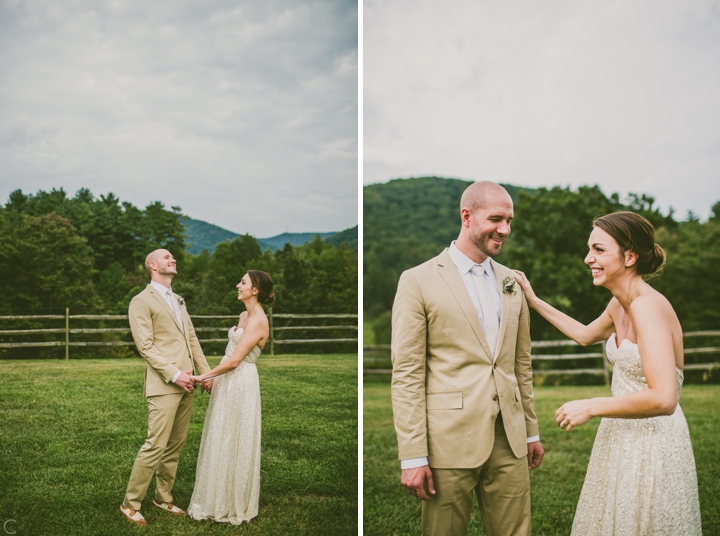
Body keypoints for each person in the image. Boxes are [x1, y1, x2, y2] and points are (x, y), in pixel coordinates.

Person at [512, 211, 702, 535]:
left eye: (599, 250)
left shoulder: (647, 306)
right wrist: (533, 300)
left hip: (654, 442)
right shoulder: (620, 304)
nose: (588, 259)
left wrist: (591, 406)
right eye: (590, 249)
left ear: (630, 256)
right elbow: (584, 335)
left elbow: (665, 397)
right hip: (621, 436)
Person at [391, 181, 544, 536]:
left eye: (509, 221)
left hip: (510, 436)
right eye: (496, 219)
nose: (504, 230)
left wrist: (531, 431)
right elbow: (408, 375)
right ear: (466, 216)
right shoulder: (417, 281)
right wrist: (413, 455)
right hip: (448, 440)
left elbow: (521, 364)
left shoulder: (512, 281)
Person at [120, 249, 212, 527]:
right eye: (166, 257)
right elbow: (145, 346)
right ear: (152, 265)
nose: (173, 259)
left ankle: (163, 496)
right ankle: (130, 503)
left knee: (175, 445)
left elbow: (191, 338)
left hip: (189, 382)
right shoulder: (140, 301)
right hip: (165, 384)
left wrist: (205, 373)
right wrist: (174, 375)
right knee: (155, 445)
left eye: (173, 257)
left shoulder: (178, 299)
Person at [186, 270, 274, 525]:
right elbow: (229, 353)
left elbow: (236, 361)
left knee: (235, 436)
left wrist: (202, 377)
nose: (238, 285)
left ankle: (233, 500)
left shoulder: (258, 320)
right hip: (226, 379)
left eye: (243, 282)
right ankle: (214, 495)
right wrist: (214, 376)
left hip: (241, 381)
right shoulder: (244, 315)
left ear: (255, 289)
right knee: (220, 433)